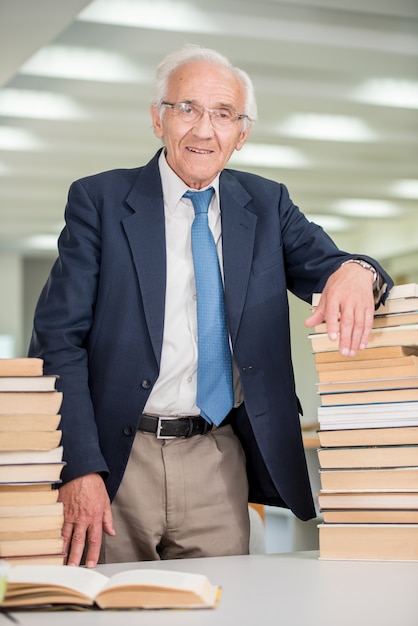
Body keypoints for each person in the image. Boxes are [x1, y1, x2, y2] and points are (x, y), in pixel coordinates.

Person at [28, 44, 393, 568]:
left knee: (225, 608)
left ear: (241, 134)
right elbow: (57, 342)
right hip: (117, 458)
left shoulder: (268, 205)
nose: (204, 130)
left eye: (223, 115)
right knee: (106, 608)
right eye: (188, 109)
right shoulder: (100, 201)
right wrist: (78, 465)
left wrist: (357, 273)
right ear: (158, 118)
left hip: (217, 456)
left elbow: (336, 265)